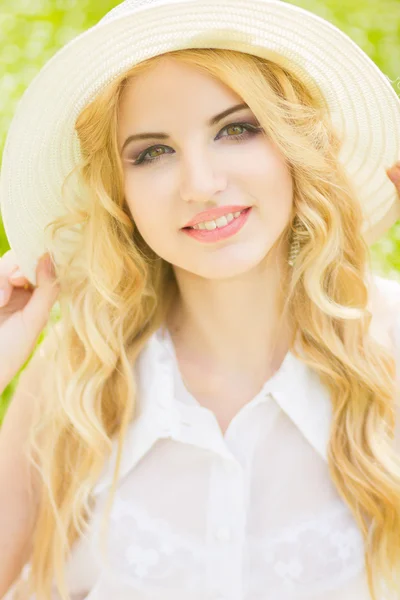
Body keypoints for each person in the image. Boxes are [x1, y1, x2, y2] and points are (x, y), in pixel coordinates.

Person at [0, 0, 400, 598]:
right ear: (120, 191)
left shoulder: (389, 341)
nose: (200, 184)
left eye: (236, 129)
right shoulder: (74, 376)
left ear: (295, 146)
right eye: (152, 152)